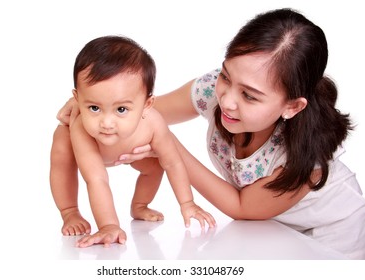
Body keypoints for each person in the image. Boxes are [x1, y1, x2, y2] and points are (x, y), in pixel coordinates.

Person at [56, 9, 365, 259]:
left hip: (333, 237)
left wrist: (164, 142)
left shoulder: (307, 163)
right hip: (271, 231)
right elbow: (145, 110)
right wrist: (94, 103)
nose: (228, 99)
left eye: (250, 96)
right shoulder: (212, 89)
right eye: (226, 76)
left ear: (291, 106)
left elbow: (242, 208)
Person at [50, 35, 215, 248]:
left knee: (155, 166)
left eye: (121, 109)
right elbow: (96, 179)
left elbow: (173, 163)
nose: (106, 123)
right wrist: (109, 225)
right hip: (87, 153)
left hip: (128, 150)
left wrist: (187, 203)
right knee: (61, 152)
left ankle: (140, 205)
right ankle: (69, 212)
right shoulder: (81, 129)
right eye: (94, 108)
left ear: (147, 104)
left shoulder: (154, 124)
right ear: (77, 99)